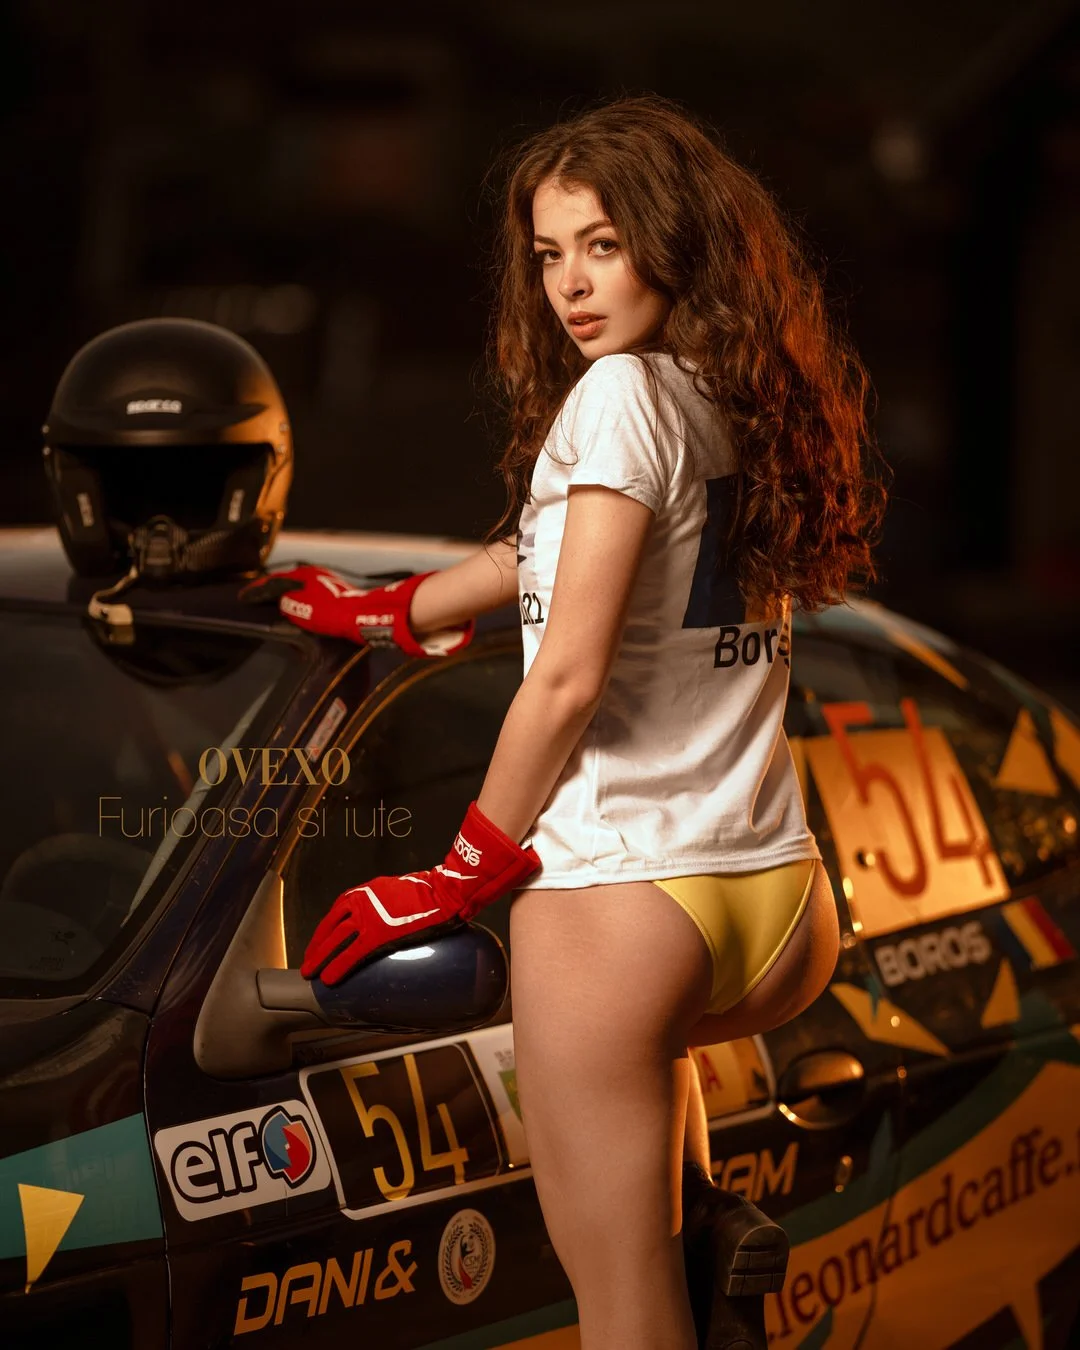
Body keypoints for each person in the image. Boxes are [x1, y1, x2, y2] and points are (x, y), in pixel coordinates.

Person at [248, 95, 885, 1350]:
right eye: (548, 255)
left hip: (621, 911)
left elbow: (567, 675)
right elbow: (546, 559)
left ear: (671, 240)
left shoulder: (618, 398)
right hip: (774, 900)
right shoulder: (732, 390)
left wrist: (460, 869)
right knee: (678, 1282)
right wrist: (396, 612)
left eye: (602, 245)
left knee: (624, 1317)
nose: (571, 287)